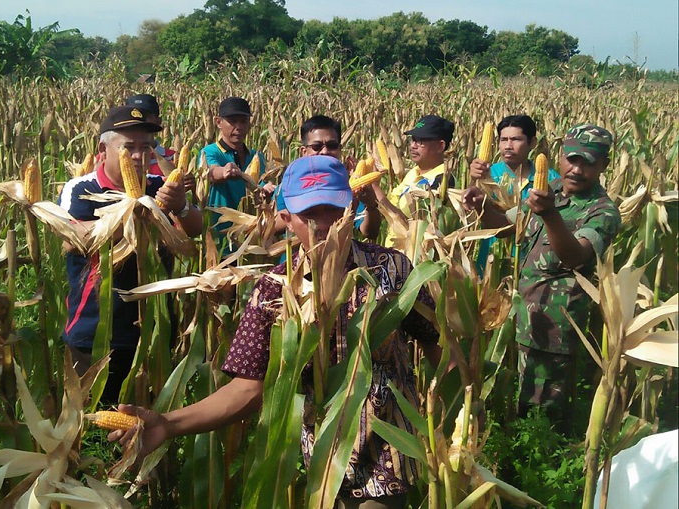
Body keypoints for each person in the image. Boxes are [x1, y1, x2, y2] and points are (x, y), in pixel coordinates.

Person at [110, 155, 441, 507]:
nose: (326, 225)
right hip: (321, 468)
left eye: (334, 210)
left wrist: (458, 406)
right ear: (286, 219)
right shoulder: (274, 290)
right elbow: (247, 388)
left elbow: (437, 340)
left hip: (388, 460)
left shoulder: (391, 268)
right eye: (310, 216)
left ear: (352, 205)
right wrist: (168, 423)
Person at [462, 123, 621, 433]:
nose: (576, 169)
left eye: (588, 162)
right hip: (521, 320)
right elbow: (510, 226)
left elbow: (574, 255)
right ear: (560, 157)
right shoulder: (550, 192)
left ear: (604, 165)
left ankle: (539, 471)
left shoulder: (602, 212)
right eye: (572, 159)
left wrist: (550, 215)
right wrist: (481, 204)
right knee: (515, 406)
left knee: (543, 422)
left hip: (555, 332)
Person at [58, 105, 203, 402]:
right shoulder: (82, 189)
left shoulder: (158, 186)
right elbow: (71, 239)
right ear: (103, 149)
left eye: (146, 147)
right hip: (95, 328)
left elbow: (194, 230)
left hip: (154, 326)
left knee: (147, 418)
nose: (139, 156)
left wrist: (180, 205)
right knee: (89, 421)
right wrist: (131, 215)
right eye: (129, 148)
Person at [469, 115, 559, 274]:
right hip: (491, 262)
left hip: (532, 266)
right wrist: (473, 180)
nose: (508, 146)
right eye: (503, 140)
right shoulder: (488, 175)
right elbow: (468, 209)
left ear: (532, 143)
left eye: (516, 139)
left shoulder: (551, 180)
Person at [274, 114, 382, 240]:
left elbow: (369, 232)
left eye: (332, 145)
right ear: (303, 152)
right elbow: (274, 226)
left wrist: (371, 205)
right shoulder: (290, 183)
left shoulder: (346, 184)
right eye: (316, 146)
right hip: (297, 256)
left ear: (340, 149)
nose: (325, 151)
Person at [199, 96, 275, 253]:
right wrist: (225, 171)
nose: (239, 127)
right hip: (220, 238)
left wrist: (266, 189)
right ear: (218, 122)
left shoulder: (256, 157)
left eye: (243, 121)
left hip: (251, 236)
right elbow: (211, 172)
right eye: (233, 121)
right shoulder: (210, 152)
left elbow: (257, 185)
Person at [372, 114, 455, 246]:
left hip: (416, 260)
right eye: (412, 140)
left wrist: (375, 188)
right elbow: (393, 201)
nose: (412, 146)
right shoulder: (413, 172)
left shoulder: (442, 180)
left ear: (440, 146)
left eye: (420, 141)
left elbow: (415, 224)